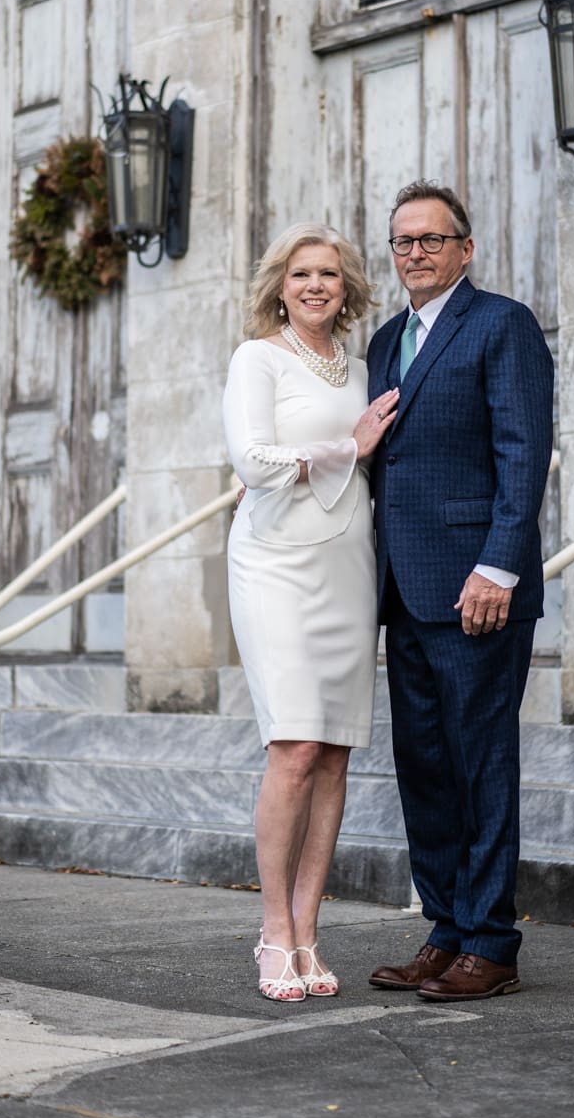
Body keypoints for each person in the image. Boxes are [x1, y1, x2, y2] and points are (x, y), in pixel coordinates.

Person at [366, 181, 554, 1002]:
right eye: (403, 242)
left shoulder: (501, 324)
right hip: (402, 590)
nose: (415, 253)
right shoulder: (383, 340)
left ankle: (491, 942)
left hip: (477, 587)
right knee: (426, 769)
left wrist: (500, 566)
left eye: (431, 240)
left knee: (480, 766)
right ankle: (445, 931)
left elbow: (524, 451)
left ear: (463, 249)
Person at [223, 224, 398, 1002]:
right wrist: (344, 450)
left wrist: (350, 455)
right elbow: (250, 462)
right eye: (302, 274)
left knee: (333, 754)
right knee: (293, 745)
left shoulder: (365, 368)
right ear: (281, 285)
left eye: (329, 273)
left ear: (347, 287)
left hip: (345, 562)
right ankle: (270, 934)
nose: (316, 285)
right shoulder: (257, 358)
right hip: (274, 565)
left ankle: (307, 931)